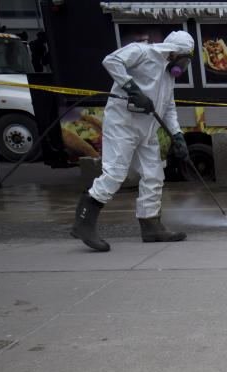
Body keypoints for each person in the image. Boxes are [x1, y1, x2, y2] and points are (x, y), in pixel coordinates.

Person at [71, 31, 194, 252]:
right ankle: (83, 222)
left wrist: (177, 135)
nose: (185, 64)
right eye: (185, 57)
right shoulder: (142, 52)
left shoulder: (168, 75)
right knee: (116, 173)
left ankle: (151, 227)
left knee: (153, 175)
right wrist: (131, 88)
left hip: (147, 131)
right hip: (123, 125)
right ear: (174, 52)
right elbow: (111, 60)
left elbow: (169, 107)